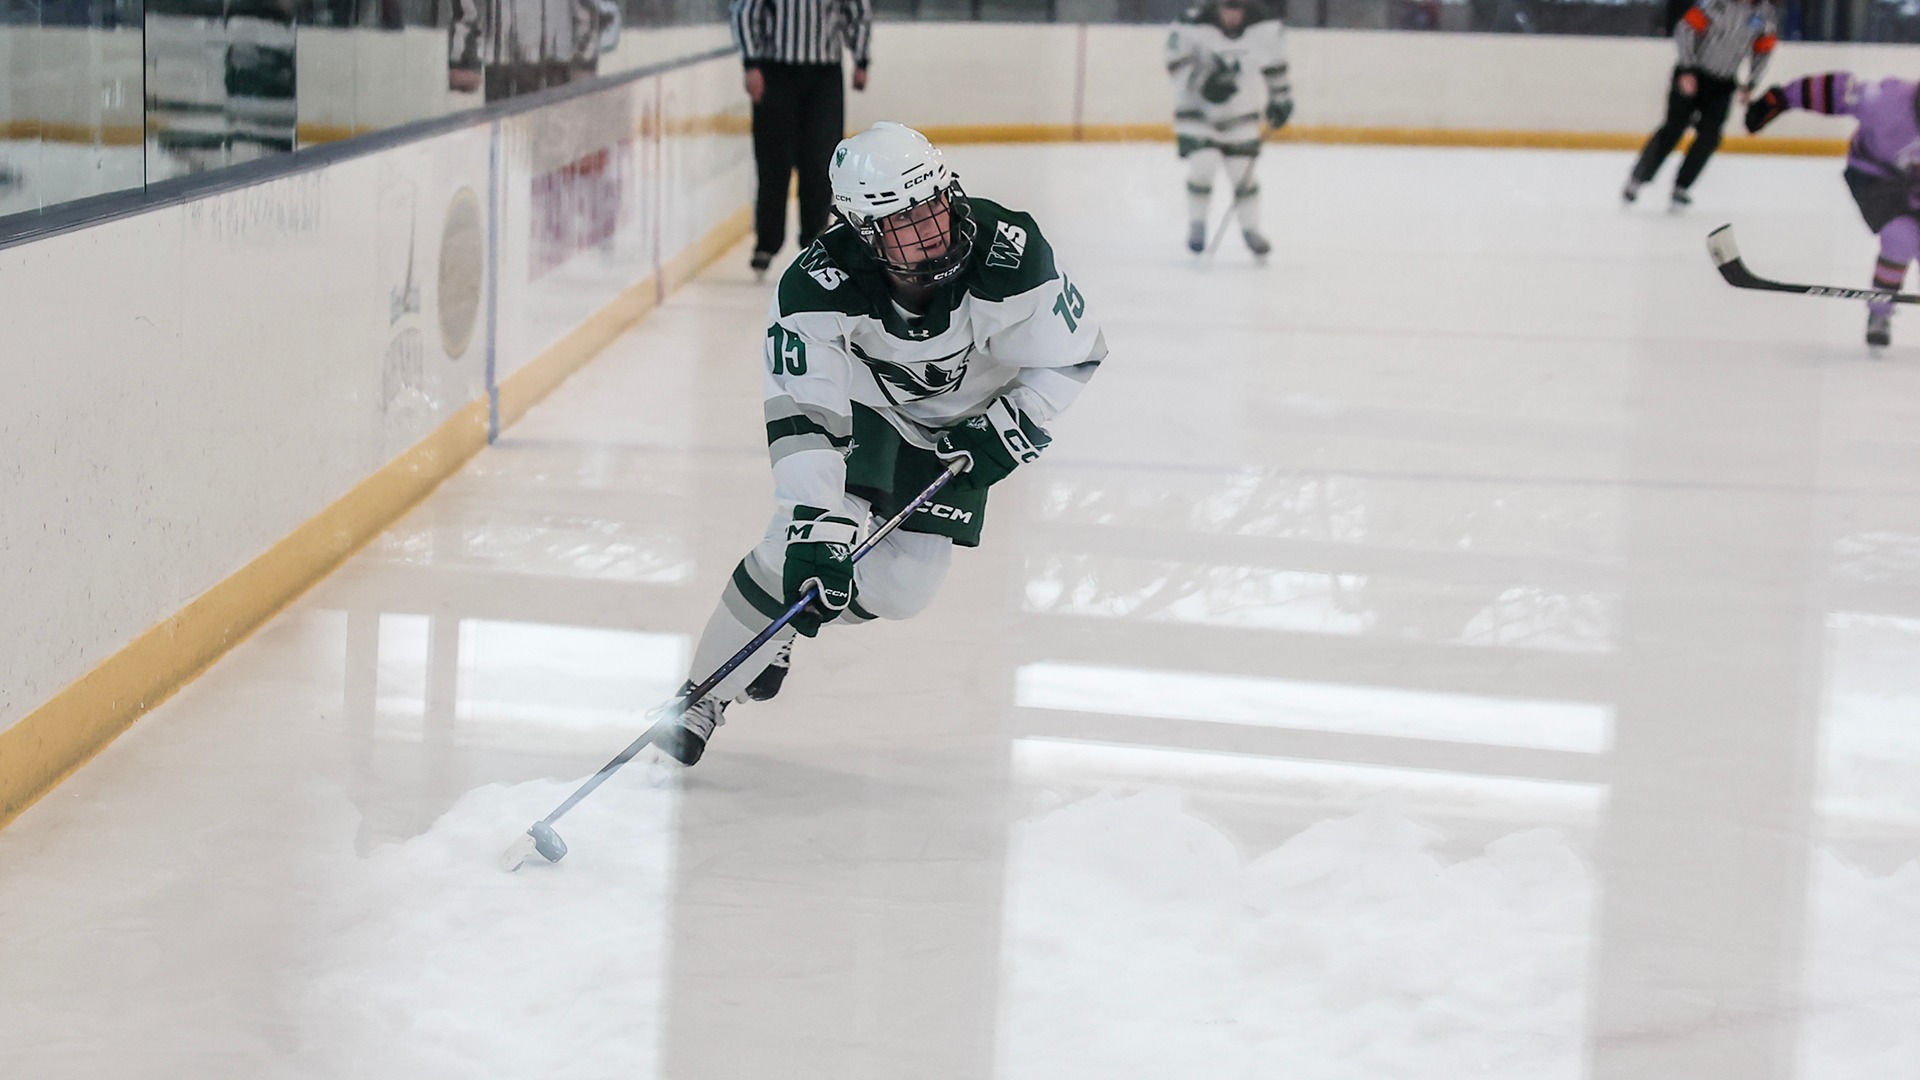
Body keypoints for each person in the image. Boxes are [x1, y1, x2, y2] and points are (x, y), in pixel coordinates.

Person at [649, 122, 1108, 767]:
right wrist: (812, 520)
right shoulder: (816, 288)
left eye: (934, 208)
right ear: (864, 233)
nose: (932, 233)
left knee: (904, 589)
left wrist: (1011, 428)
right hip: (867, 407)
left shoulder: (1013, 254)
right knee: (804, 541)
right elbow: (805, 419)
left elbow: (1075, 354)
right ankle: (702, 693)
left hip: (957, 427)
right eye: (904, 224)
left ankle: (780, 613)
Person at [1747, 73, 1920, 346]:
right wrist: (1780, 99)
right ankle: (1879, 313)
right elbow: (1839, 91)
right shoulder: (1888, 101)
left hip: (1913, 183)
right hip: (1873, 175)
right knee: (1901, 236)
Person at [730, 0, 872, 278]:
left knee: (821, 159)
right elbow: (745, 10)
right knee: (773, 161)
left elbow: (857, 11)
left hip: (824, 74)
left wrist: (861, 58)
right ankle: (767, 242)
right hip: (776, 71)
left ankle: (816, 239)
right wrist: (751, 64)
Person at [1164, 0, 1292, 258]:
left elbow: (1275, 66)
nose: (1233, 15)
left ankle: (1251, 230)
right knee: (1203, 165)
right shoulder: (1192, 24)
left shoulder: (1264, 27)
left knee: (1243, 173)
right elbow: (1176, 62)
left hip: (1240, 114)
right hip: (1197, 112)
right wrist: (1204, 84)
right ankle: (1197, 224)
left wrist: (1281, 100)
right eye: (1227, 9)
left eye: (1238, 9)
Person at [1623, 0, 1779, 209]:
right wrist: (1687, 68)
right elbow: (1685, 29)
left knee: (1710, 136)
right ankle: (1638, 179)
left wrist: (1750, 83)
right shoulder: (1715, 4)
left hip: (1723, 83)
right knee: (1674, 127)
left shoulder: (1765, 14)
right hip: (1693, 74)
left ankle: (1682, 185)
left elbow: (1763, 49)